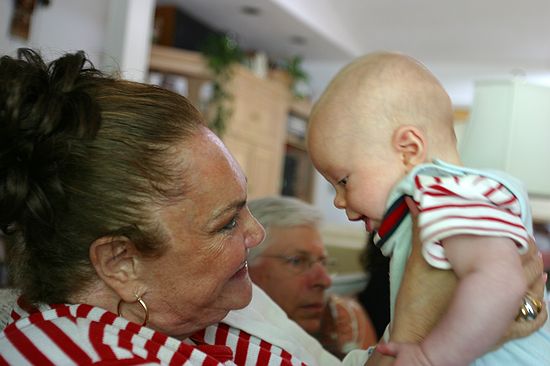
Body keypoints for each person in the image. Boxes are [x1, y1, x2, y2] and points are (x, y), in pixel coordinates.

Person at [0, 48, 545, 366]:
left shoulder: (230, 308)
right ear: (120, 261)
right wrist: (455, 331)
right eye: (228, 221)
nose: (256, 232)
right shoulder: (66, 349)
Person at [307, 51, 550, 365]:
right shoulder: (435, 204)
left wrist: (429, 357)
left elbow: (500, 282)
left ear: (409, 150)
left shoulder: (446, 194)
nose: (339, 201)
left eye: (343, 180)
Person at [246, 196, 377, 358]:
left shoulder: (343, 322)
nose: (325, 281)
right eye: (297, 261)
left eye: (323, 262)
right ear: (244, 267)